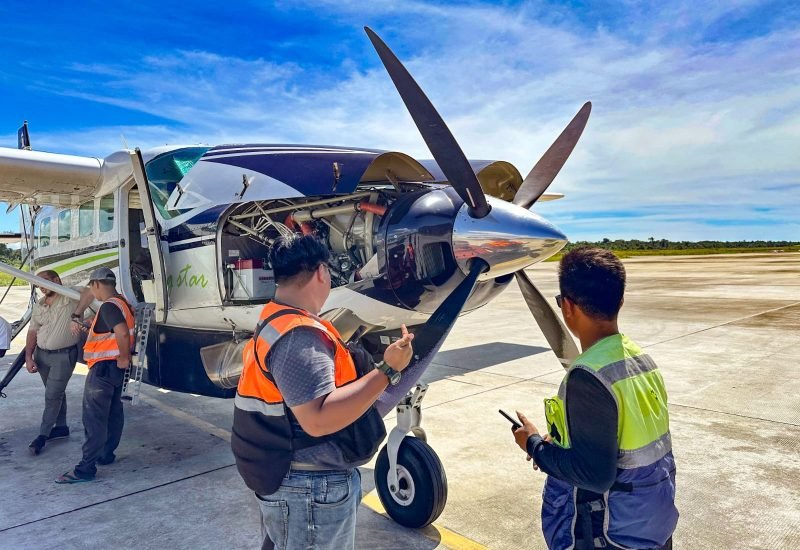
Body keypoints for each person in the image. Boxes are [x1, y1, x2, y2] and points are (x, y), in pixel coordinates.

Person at [231, 235, 415, 550]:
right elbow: (317, 419)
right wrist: (387, 370)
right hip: (310, 491)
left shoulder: (276, 320)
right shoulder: (298, 336)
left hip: (296, 483)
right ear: (321, 273)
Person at [511, 247, 678, 550]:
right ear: (620, 301)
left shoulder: (589, 376)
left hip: (610, 534)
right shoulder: (642, 360)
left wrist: (533, 444)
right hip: (651, 526)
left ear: (567, 307)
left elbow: (594, 475)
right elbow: (623, 435)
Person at [56, 267, 135, 483]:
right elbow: (115, 331)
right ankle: (106, 454)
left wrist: (124, 356)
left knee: (94, 418)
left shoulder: (109, 306)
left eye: (92, 287)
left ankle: (85, 469)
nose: (93, 291)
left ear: (97, 285)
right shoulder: (122, 303)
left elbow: (119, 331)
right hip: (115, 370)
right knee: (113, 413)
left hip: (103, 369)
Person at [25, 270, 94, 455]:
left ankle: (42, 435)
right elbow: (32, 331)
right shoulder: (39, 305)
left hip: (63, 356)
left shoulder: (69, 296)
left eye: (45, 281)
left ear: (57, 280)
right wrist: (28, 356)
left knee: (52, 395)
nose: (41, 286)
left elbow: (91, 291)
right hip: (42, 356)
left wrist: (77, 314)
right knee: (55, 392)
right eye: (38, 283)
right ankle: (61, 427)